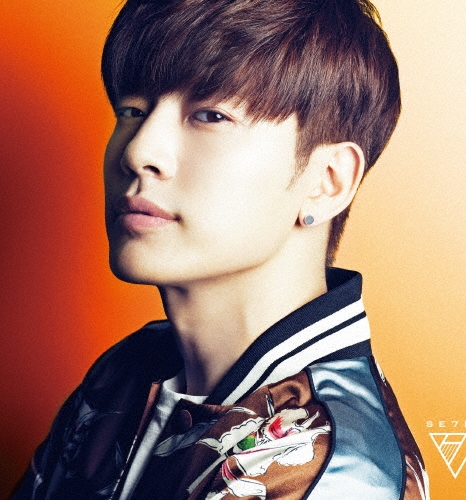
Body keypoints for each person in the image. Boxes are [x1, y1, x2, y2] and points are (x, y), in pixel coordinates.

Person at [11, 0, 428, 498]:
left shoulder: (330, 473)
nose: (138, 152)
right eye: (131, 111)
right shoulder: (125, 371)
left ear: (327, 182)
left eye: (211, 116)